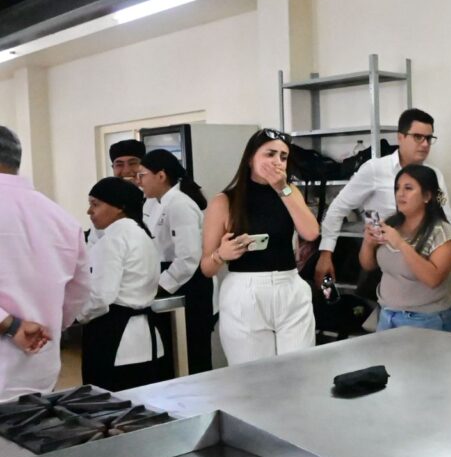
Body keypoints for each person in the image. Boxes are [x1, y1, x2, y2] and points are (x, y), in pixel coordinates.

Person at [315, 108, 451, 310]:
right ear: (401, 137)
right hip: (382, 263)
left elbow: (447, 221)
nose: (425, 144)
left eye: (429, 138)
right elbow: (338, 208)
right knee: (380, 321)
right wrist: (326, 253)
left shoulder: (433, 175)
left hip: (425, 264)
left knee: (424, 315)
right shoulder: (375, 169)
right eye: (418, 137)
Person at [200, 128, 319, 365]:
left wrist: (282, 188)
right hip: (245, 288)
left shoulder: (290, 191)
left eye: (283, 157)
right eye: (270, 154)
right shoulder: (224, 201)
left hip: (289, 283)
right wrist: (221, 254)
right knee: (253, 374)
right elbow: (206, 267)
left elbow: (311, 232)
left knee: (298, 369)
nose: (277, 162)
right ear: (250, 158)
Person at [0, 126, 91, 401]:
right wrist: (46, 327)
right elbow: (78, 294)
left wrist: (11, 325)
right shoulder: (61, 218)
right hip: (38, 370)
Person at [79, 177, 172, 391]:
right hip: (145, 338)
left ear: (119, 207)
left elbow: (101, 297)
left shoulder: (113, 240)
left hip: (114, 336)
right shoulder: (142, 235)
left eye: (95, 204)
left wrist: (75, 316)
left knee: (108, 403)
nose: (89, 211)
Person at [358, 165, 451, 331]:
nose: (400, 194)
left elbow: (433, 279)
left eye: (408, 188)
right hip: (386, 314)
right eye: (397, 188)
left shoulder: (442, 232)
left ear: (427, 196)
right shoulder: (391, 224)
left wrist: (401, 244)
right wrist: (368, 243)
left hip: (426, 319)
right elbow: (368, 265)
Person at [138, 149, 214, 374]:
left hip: (188, 284)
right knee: (171, 356)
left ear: (161, 176)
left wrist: (160, 286)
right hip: (168, 277)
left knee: (192, 353)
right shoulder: (153, 203)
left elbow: (188, 257)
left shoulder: (180, 204)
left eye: (143, 175)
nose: (138, 181)